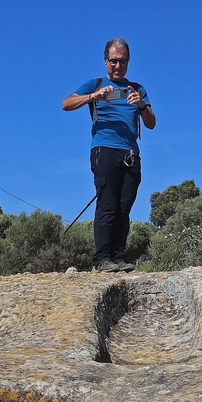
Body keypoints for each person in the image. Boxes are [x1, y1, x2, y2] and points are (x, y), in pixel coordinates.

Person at [62, 38, 156, 272]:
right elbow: (66, 104)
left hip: (131, 154)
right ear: (105, 61)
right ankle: (102, 259)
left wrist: (142, 105)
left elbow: (152, 124)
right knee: (107, 204)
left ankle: (119, 257)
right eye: (113, 61)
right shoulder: (95, 84)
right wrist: (94, 97)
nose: (118, 65)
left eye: (122, 61)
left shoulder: (137, 89)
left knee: (124, 207)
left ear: (128, 62)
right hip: (104, 149)